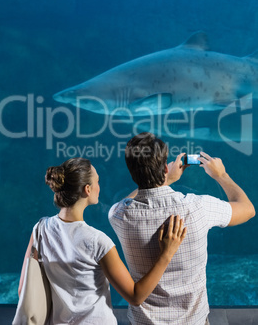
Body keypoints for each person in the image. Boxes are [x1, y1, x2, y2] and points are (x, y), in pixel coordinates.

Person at [108, 132, 256, 325]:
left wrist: (164, 179)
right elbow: (248, 209)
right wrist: (221, 175)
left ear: (131, 171)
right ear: (164, 167)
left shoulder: (118, 215)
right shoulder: (197, 208)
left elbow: (130, 200)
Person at [18, 157, 187, 325]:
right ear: (87, 189)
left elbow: (23, 290)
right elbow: (136, 296)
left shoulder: (40, 229)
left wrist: (164, 181)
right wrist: (167, 253)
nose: (100, 186)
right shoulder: (97, 242)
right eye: (97, 181)